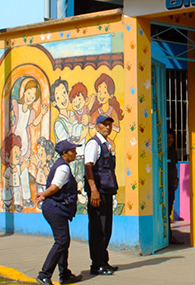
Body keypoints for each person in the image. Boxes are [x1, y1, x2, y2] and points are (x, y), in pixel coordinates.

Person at [34, 140, 83, 285]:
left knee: (64, 241)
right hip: (55, 209)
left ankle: (65, 274)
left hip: (56, 209)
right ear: (64, 153)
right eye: (72, 151)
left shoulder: (62, 165)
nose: (75, 153)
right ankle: (44, 275)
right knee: (61, 241)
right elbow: (55, 187)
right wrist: (44, 194)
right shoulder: (63, 168)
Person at [84, 115, 119, 275]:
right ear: (97, 126)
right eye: (104, 125)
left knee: (106, 228)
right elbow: (88, 167)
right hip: (98, 193)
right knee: (98, 229)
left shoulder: (107, 144)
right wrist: (94, 190)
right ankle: (97, 264)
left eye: (110, 125)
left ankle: (103, 261)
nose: (107, 127)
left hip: (107, 191)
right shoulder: (94, 144)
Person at [167, 128, 183, 244]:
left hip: (171, 183)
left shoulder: (172, 150)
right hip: (162, 184)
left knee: (168, 210)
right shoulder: (161, 150)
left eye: (171, 138)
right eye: (167, 138)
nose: (169, 140)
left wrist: (176, 179)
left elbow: (174, 166)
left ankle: (169, 235)